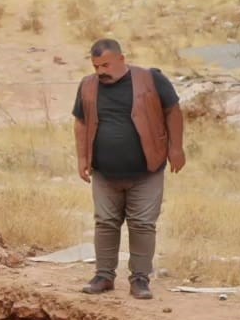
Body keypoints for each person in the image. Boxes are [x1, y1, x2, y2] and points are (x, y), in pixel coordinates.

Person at [72, 38, 186, 299]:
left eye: (106, 65)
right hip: (104, 172)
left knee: (143, 225)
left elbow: (173, 110)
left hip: (147, 170)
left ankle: (140, 279)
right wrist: (82, 159)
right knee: (105, 223)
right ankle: (103, 276)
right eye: (96, 66)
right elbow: (80, 123)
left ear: (122, 59)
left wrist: (176, 148)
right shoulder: (88, 86)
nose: (101, 71)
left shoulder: (151, 80)